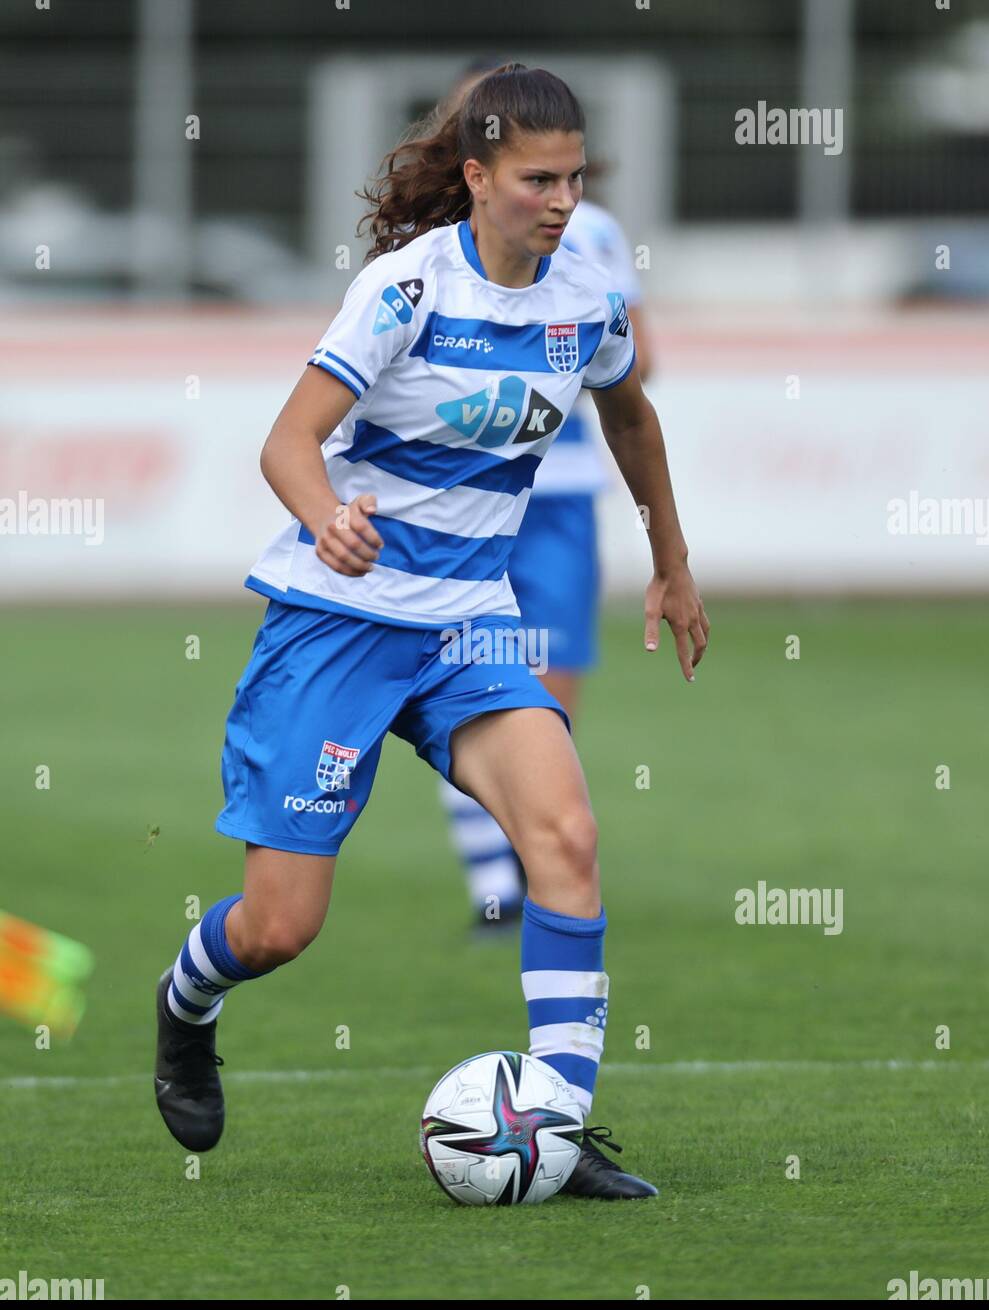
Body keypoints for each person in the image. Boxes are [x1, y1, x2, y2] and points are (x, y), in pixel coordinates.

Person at [153, 62, 709, 1200]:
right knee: (278, 927)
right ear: (475, 176)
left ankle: (553, 1123)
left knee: (564, 837)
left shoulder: (585, 297)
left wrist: (670, 561)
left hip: (470, 625)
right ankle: (186, 1001)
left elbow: (631, 415)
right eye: (535, 179)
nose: (559, 201)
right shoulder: (407, 291)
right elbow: (286, 443)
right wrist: (328, 519)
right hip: (336, 625)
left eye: (574, 178)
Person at [434, 73, 655, 937]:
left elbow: (638, 371)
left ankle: (529, 864)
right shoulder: (433, 247)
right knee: (462, 689)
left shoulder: (590, 234)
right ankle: (497, 884)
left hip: (555, 494)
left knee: (542, 699)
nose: (558, 198)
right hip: (457, 504)